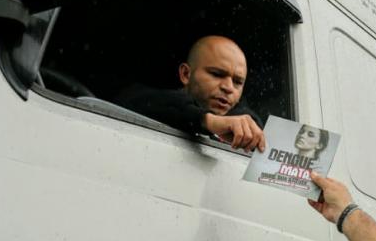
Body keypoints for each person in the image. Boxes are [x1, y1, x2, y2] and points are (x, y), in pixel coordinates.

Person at [114, 35, 266, 153]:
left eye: (238, 82)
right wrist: (207, 120)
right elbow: (134, 100)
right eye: (217, 74)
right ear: (186, 74)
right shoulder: (153, 104)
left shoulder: (245, 125)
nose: (228, 87)